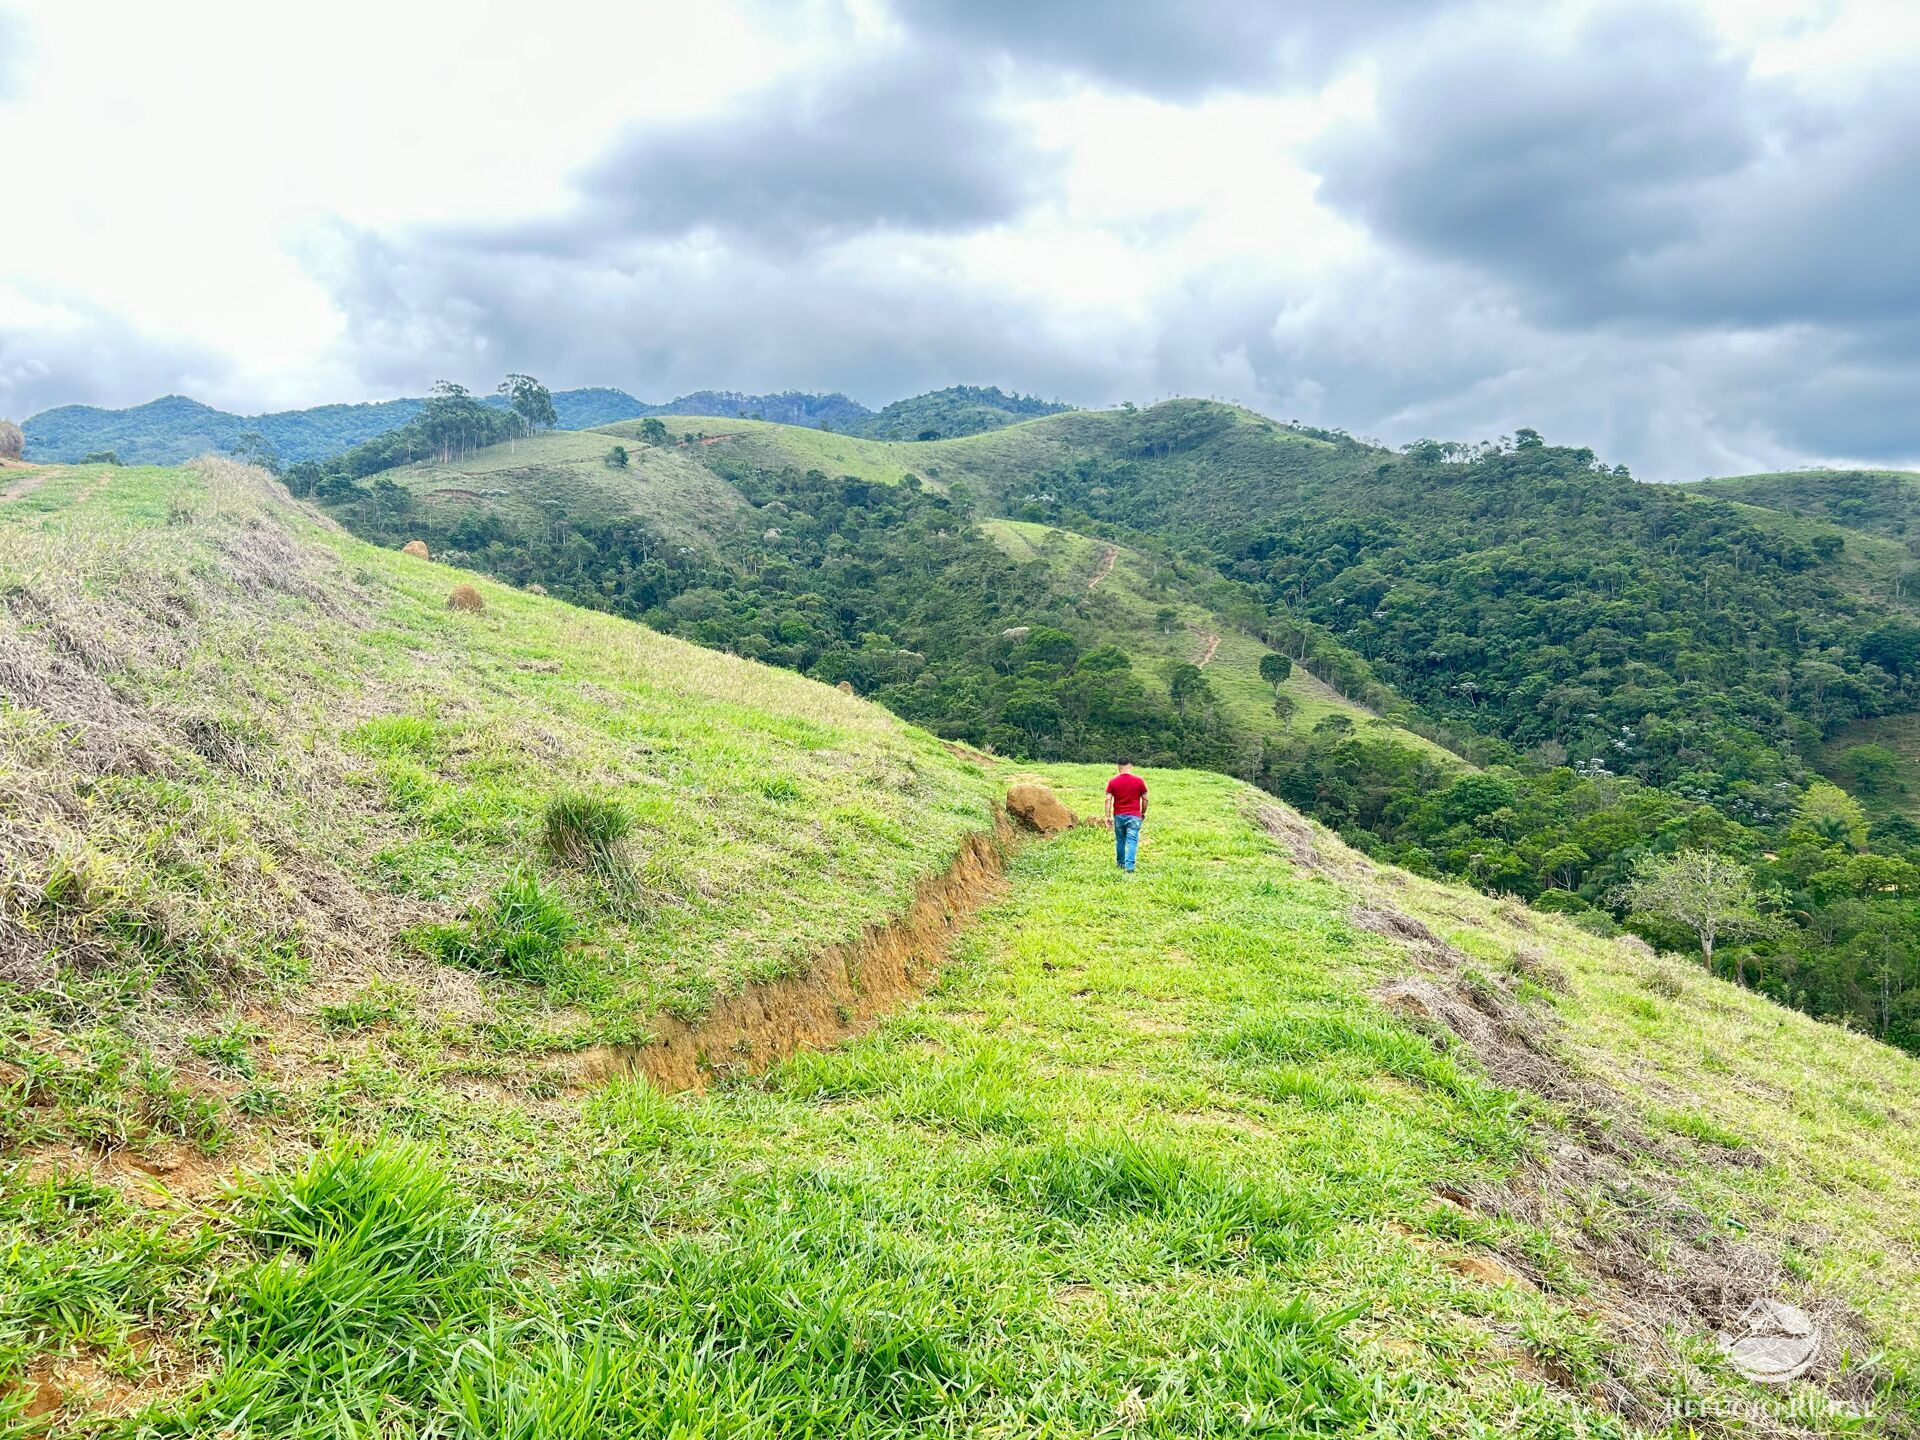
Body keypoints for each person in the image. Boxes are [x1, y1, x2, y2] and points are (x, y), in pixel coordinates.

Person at [1104, 762, 1148, 872]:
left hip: (1119, 815)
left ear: (1118, 767)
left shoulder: (1112, 781)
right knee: (1132, 841)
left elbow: (1107, 800)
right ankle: (1129, 867)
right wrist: (1142, 812)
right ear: (1130, 766)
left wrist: (1107, 816)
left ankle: (1120, 864)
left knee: (1120, 841)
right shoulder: (1139, 781)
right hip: (1134, 816)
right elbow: (1145, 799)